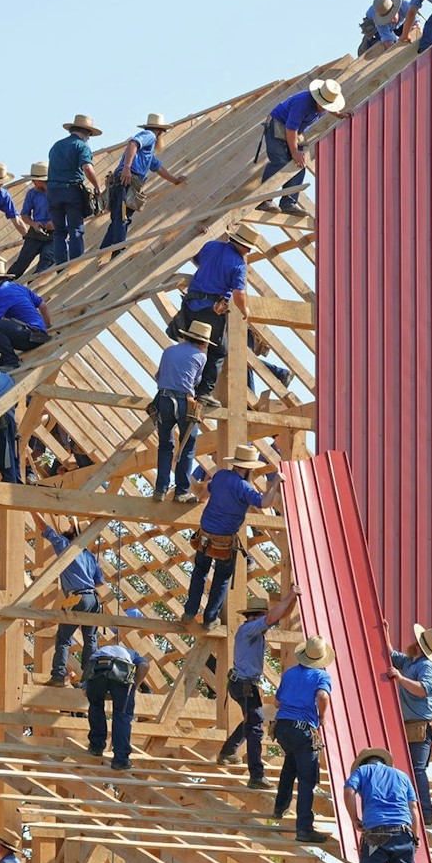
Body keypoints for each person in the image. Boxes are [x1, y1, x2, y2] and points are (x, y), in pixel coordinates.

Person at [180, 445, 280, 626]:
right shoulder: (243, 488)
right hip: (224, 541)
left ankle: (189, 612)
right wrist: (276, 482)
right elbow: (265, 502)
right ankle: (210, 619)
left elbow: (205, 495)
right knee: (221, 578)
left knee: (199, 572)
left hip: (205, 535)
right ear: (249, 467)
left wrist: (199, 501)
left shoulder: (220, 476)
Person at [216, 588, 300, 789]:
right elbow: (272, 616)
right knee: (255, 728)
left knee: (251, 720)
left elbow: (280, 615)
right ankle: (256, 775)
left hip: (242, 684)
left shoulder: (253, 628)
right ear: (257, 617)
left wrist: (293, 599)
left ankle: (228, 751)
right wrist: (289, 595)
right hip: (244, 685)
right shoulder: (250, 629)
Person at [173, 225, 266, 404]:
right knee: (219, 350)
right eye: (248, 248)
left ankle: (184, 386)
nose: (248, 251)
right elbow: (239, 294)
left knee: (193, 345)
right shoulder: (239, 265)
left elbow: (197, 258)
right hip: (211, 310)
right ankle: (203, 392)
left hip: (190, 305)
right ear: (245, 246)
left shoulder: (211, 246)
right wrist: (245, 310)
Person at [343, 747, 420, 863]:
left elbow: (349, 791)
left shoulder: (362, 772)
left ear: (364, 763)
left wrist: (354, 818)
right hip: (403, 833)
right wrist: (415, 837)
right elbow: (413, 808)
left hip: (376, 833)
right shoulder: (402, 776)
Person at [271, 638, 334, 844]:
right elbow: (323, 696)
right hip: (302, 728)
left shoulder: (289, 673)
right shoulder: (321, 675)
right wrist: (322, 717)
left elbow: (277, 700)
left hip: (282, 727)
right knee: (307, 780)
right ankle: (304, 828)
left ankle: (280, 807)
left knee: (290, 765)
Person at [256, 79, 345, 214]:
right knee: (279, 162)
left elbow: (294, 130)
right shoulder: (302, 103)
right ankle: (263, 201)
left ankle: (288, 203)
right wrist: (295, 152)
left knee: (299, 165)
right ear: (317, 99)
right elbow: (290, 129)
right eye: (323, 105)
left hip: (295, 131)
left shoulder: (325, 103)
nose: (324, 109)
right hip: (278, 126)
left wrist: (338, 114)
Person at [384, 623, 432, 824]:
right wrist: (386, 632)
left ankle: (425, 814)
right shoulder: (410, 662)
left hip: (422, 723)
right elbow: (391, 654)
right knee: (411, 768)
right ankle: (416, 810)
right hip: (414, 722)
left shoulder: (426, 666)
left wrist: (400, 679)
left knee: (417, 769)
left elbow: (424, 689)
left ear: (418, 644)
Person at [101, 113, 186, 250]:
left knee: (119, 218)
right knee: (122, 218)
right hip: (127, 180)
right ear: (160, 131)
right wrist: (127, 167)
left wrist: (175, 180)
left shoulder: (147, 152)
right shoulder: (150, 135)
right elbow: (132, 144)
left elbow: (159, 168)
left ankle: (104, 251)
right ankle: (117, 251)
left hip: (124, 181)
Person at [152, 321, 213, 501]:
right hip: (184, 401)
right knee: (187, 446)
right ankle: (181, 491)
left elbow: (158, 376)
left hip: (163, 399)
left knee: (165, 445)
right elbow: (195, 381)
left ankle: (160, 489)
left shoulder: (169, 351)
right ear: (203, 342)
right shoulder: (201, 357)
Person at [40, 515, 104, 686]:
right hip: (94, 600)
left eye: (70, 529)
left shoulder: (66, 547)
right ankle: (90, 676)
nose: (67, 530)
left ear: (76, 534)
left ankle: (59, 675)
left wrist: (33, 512)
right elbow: (99, 581)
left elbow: (47, 531)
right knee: (90, 639)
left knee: (63, 638)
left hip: (78, 597)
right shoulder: (89, 556)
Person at [83, 623, 147, 771]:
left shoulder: (98, 652)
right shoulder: (131, 653)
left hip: (97, 669)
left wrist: (96, 691)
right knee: (122, 715)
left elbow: (87, 686)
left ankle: (96, 746)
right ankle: (120, 759)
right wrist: (133, 688)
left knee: (96, 706)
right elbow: (145, 666)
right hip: (121, 669)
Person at [45, 114, 104, 265]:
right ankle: (76, 264)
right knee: (75, 230)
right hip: (71, 191)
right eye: (89, 135)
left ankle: (60, 266)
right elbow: (87, 167)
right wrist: (97, 187)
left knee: (59, 232)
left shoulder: (56, 145)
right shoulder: (82, 146)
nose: (89, 138)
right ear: (86, 132)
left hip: (52, 191)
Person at [0, 259, 52, 369]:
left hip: (30, 336)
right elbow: (44, 306)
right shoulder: (18, 287)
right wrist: (47, 326)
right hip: (39, 335)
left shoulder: (1, 294)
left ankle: (10, 362)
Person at [10, 163, 56, 278]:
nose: (33, 182)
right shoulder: (32, 193)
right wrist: (34, 224)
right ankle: (4, 286)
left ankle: (34, 286)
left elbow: (67, 210)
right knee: (21, 262)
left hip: (55, 234)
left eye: (35, 180)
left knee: (46, 261)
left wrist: (56, 222)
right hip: (36, 232)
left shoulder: (58, 192)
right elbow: (25, 215)